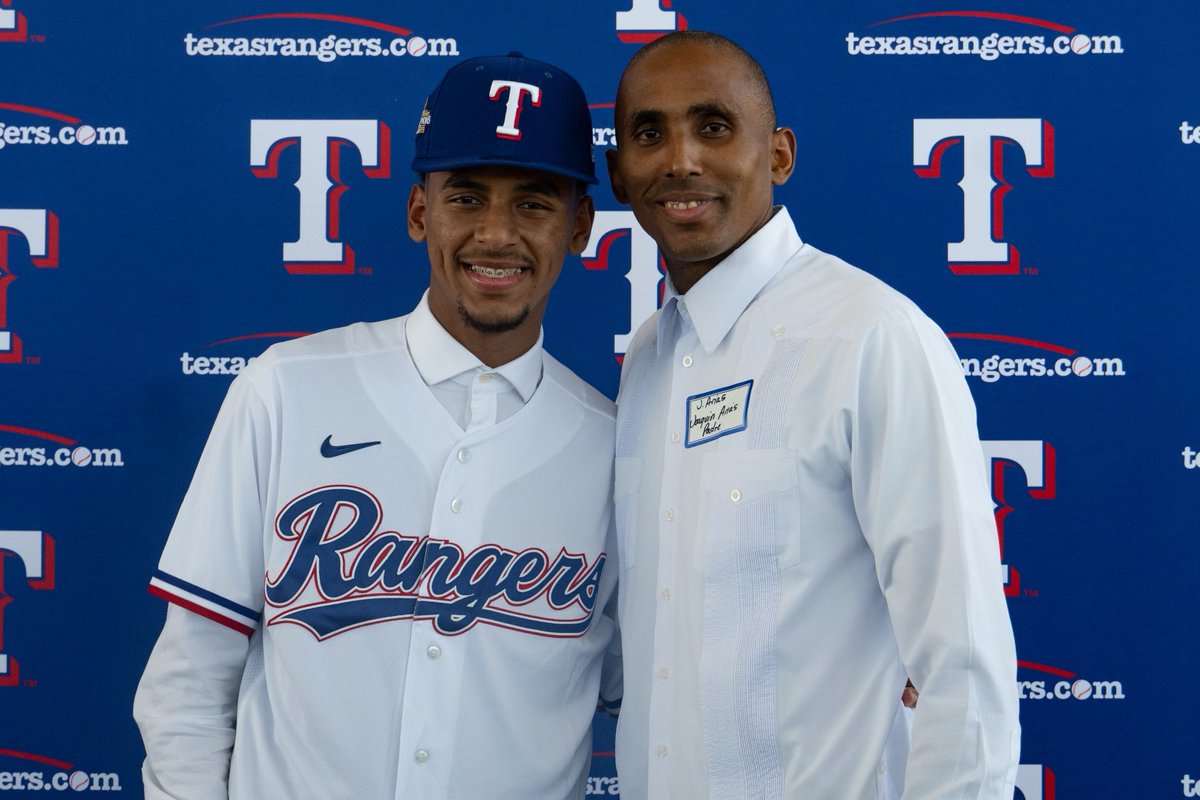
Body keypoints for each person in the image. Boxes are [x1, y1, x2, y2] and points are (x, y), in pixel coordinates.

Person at [134, 53, 621, 800]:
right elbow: (190, 680)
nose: (496, 234)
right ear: (419, 212)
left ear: (579, 225)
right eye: (466, 197)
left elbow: (654, 698)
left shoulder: (616, 449)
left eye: (533, 203)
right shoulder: (286, 389)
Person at [606, 31, 1020, 799]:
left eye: (713, 126)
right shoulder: (650, 360)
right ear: (618, 175)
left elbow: (963, 658)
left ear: (779, 155)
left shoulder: (869, 336)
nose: (681, 159)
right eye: (649, 134)